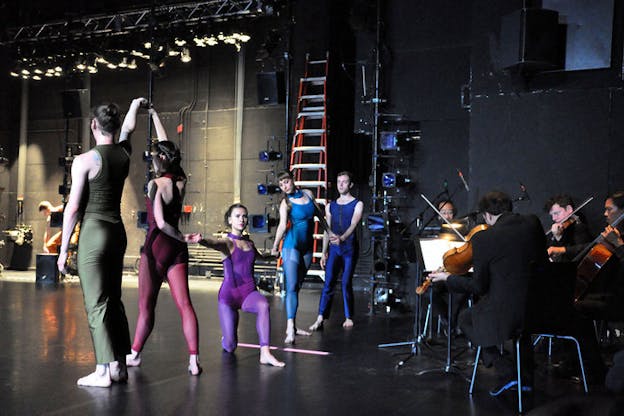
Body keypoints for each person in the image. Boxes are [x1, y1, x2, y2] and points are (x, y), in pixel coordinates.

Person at [57, 98, 144, 387]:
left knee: (96, 303)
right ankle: (119, 365)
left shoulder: (84, 161)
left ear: (93, 124)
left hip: (94, 232)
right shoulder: (123, 154)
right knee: (113, 300)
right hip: (117, 231)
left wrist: (63, 249)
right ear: (115, 126)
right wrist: (135, 105)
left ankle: (103, 371)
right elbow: (130, 129)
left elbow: (72, 208)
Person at [429, 191, 548, 394]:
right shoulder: (533, 223)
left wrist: (448, 278)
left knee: (467, 318)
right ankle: (526, 378)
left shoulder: (485, 238)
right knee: (523, 323)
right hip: (541, 308)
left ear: (487, 215)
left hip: (507, 314)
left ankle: (506, 370)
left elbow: (478, 287)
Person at [125, 105, 202, 376]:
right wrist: (156, 114)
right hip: (177, 252)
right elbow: (169, 147)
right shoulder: (180, 180)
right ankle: (193, 360)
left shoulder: (155, 185)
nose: (151, 157)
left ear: (160, 159)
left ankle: (134, 354)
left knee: (146, 308)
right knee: (185, 305)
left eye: (154, 155)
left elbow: (159, 222)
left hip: (156, 248)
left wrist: (181, 235)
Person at [193, 203, 285, 367]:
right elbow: (214, 242)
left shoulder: (249, 243)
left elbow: (260, 257)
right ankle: (227, 339)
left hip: (248, 293)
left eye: (244, 216)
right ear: (230, 220)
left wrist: (273, 255)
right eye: (237, 216)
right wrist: (202, 240)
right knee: (230, 346)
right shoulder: (227, 243)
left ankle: (265, 353)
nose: (241, 219)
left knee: (264, 305)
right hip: (229, 297)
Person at [271, 170, 332, 344]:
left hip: (306, 249)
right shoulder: (285, 203)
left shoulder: (308, 194)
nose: (285, 186)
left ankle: (294, 326)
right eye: (281, 185)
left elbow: (320, 216)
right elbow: (282, 226)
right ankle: (290, 327)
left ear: (293, 180)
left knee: (297, 287)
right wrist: (275, 246)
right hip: (291, 246)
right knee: (290, 287)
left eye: (286, 182)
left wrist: (329, 231)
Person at [309, 171, 363, 331]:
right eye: (339, 181)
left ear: (350, 185)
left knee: (346, 282)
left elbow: (353, 224)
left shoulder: (357, 203)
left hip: (349, 248)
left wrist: (343, 238)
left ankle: (349, 317)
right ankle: (320, 317)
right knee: (328, 283)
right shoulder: (330, 205)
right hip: (334, 248)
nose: (341, 184)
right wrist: (323, 252)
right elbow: (327, 229)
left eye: (344, 182)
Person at [543, 194, 592, 262]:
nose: (553, 218)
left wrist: (559, 246)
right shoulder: (560, 227)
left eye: (556, 213)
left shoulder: (579, 225)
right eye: (552, 215)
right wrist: (558, 237)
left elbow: (583, 251)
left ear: (569, 209)